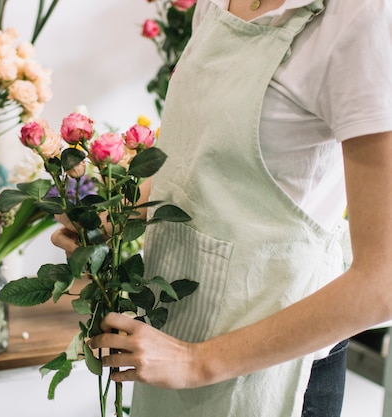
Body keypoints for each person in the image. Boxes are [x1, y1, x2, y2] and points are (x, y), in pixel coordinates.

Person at [50, 0, 392, 415]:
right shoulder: (217, 5)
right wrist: (119, 213)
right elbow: (199, 163)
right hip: (172, 338)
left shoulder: (363, 19)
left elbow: (382, 283)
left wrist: (197, 362)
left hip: (265, 371)